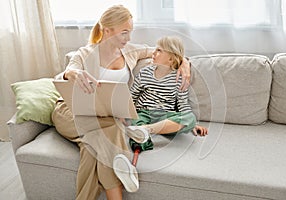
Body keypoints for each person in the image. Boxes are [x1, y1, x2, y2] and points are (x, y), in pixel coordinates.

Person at [51, 5, 191, 200]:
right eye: (124, 32)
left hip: (102, 117)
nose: (128, 38)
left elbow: (168, 53)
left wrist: (184, 63)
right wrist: (74, 73)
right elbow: (69, 70)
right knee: (112, 129)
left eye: (130, 32)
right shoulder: (85, 53)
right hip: (69, 111)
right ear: (107, 30)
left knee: (92, 147)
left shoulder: (130, 51)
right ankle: (125, 163)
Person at [113, 36, 208, 183]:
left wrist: (192, 125)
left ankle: (147, 130)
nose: (154, 52)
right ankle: (131, 168)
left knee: (190, 118)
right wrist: (123, 113)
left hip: (166, 116)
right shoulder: (144, 73)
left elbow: (183, 105)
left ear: (171, 59)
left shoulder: (178, 78)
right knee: (136, 130)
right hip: (143, 112)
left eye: (159, 50)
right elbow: (131, 97)